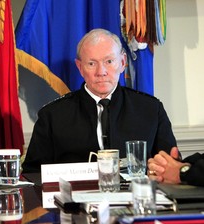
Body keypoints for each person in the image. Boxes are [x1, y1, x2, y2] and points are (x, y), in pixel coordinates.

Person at [22, 28, 177, 173]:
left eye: (109, 61)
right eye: (91, 63)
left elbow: (170, 167)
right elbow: (34, 174)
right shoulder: (52, 116)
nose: (101, 72)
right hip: (73, 200)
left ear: (122, 63)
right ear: (80, 67)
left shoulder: (150, 110)